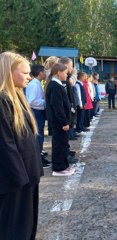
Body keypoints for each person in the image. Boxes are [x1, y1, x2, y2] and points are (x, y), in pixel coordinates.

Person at [0, 52, 43, 239]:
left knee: (28, 225)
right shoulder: (2, 100)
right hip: (16, 180)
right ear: (9, 72)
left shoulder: (17, 96)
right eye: (25, 72)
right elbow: (5, 144)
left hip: (29, 174)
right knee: (15, 228)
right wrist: (20, 178)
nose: (29, 76)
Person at [46, 63, 75, 176]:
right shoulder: (54, 86)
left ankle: (64, 165)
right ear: (58, 72)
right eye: (65, 73)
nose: (66, 75)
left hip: (60, 122)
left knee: (62, 144)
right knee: (59, 144)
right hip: (59, 123)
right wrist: (64, 122)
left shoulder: (57, 85)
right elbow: (57, 106)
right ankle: (58, 168)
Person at [26, 64, 51, 168]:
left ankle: (39, 156)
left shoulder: (37, 83)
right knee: (38, 135)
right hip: (35, 112)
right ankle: (38, 160)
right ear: (40, 73)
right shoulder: (34, 84)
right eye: (44, 71)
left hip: (38, 112)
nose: (45, 73)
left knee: (39, 134)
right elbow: (31, 101)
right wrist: (45, 102)